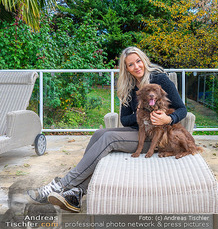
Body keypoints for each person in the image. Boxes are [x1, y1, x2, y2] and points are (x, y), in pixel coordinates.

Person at [27, 47, 187, 213]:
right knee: (99, 133)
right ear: (126, 68)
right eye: (131, 65)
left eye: (138, 61)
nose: (137, 67)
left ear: (144, 60)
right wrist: (140, 112)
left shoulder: (159, 78)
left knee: (110, 137)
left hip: (159, 137)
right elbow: (125, 120)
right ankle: (76, 192)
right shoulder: (130, 86)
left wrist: (168, 119)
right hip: (139, 131)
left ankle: (62, 185)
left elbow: (182, 109)